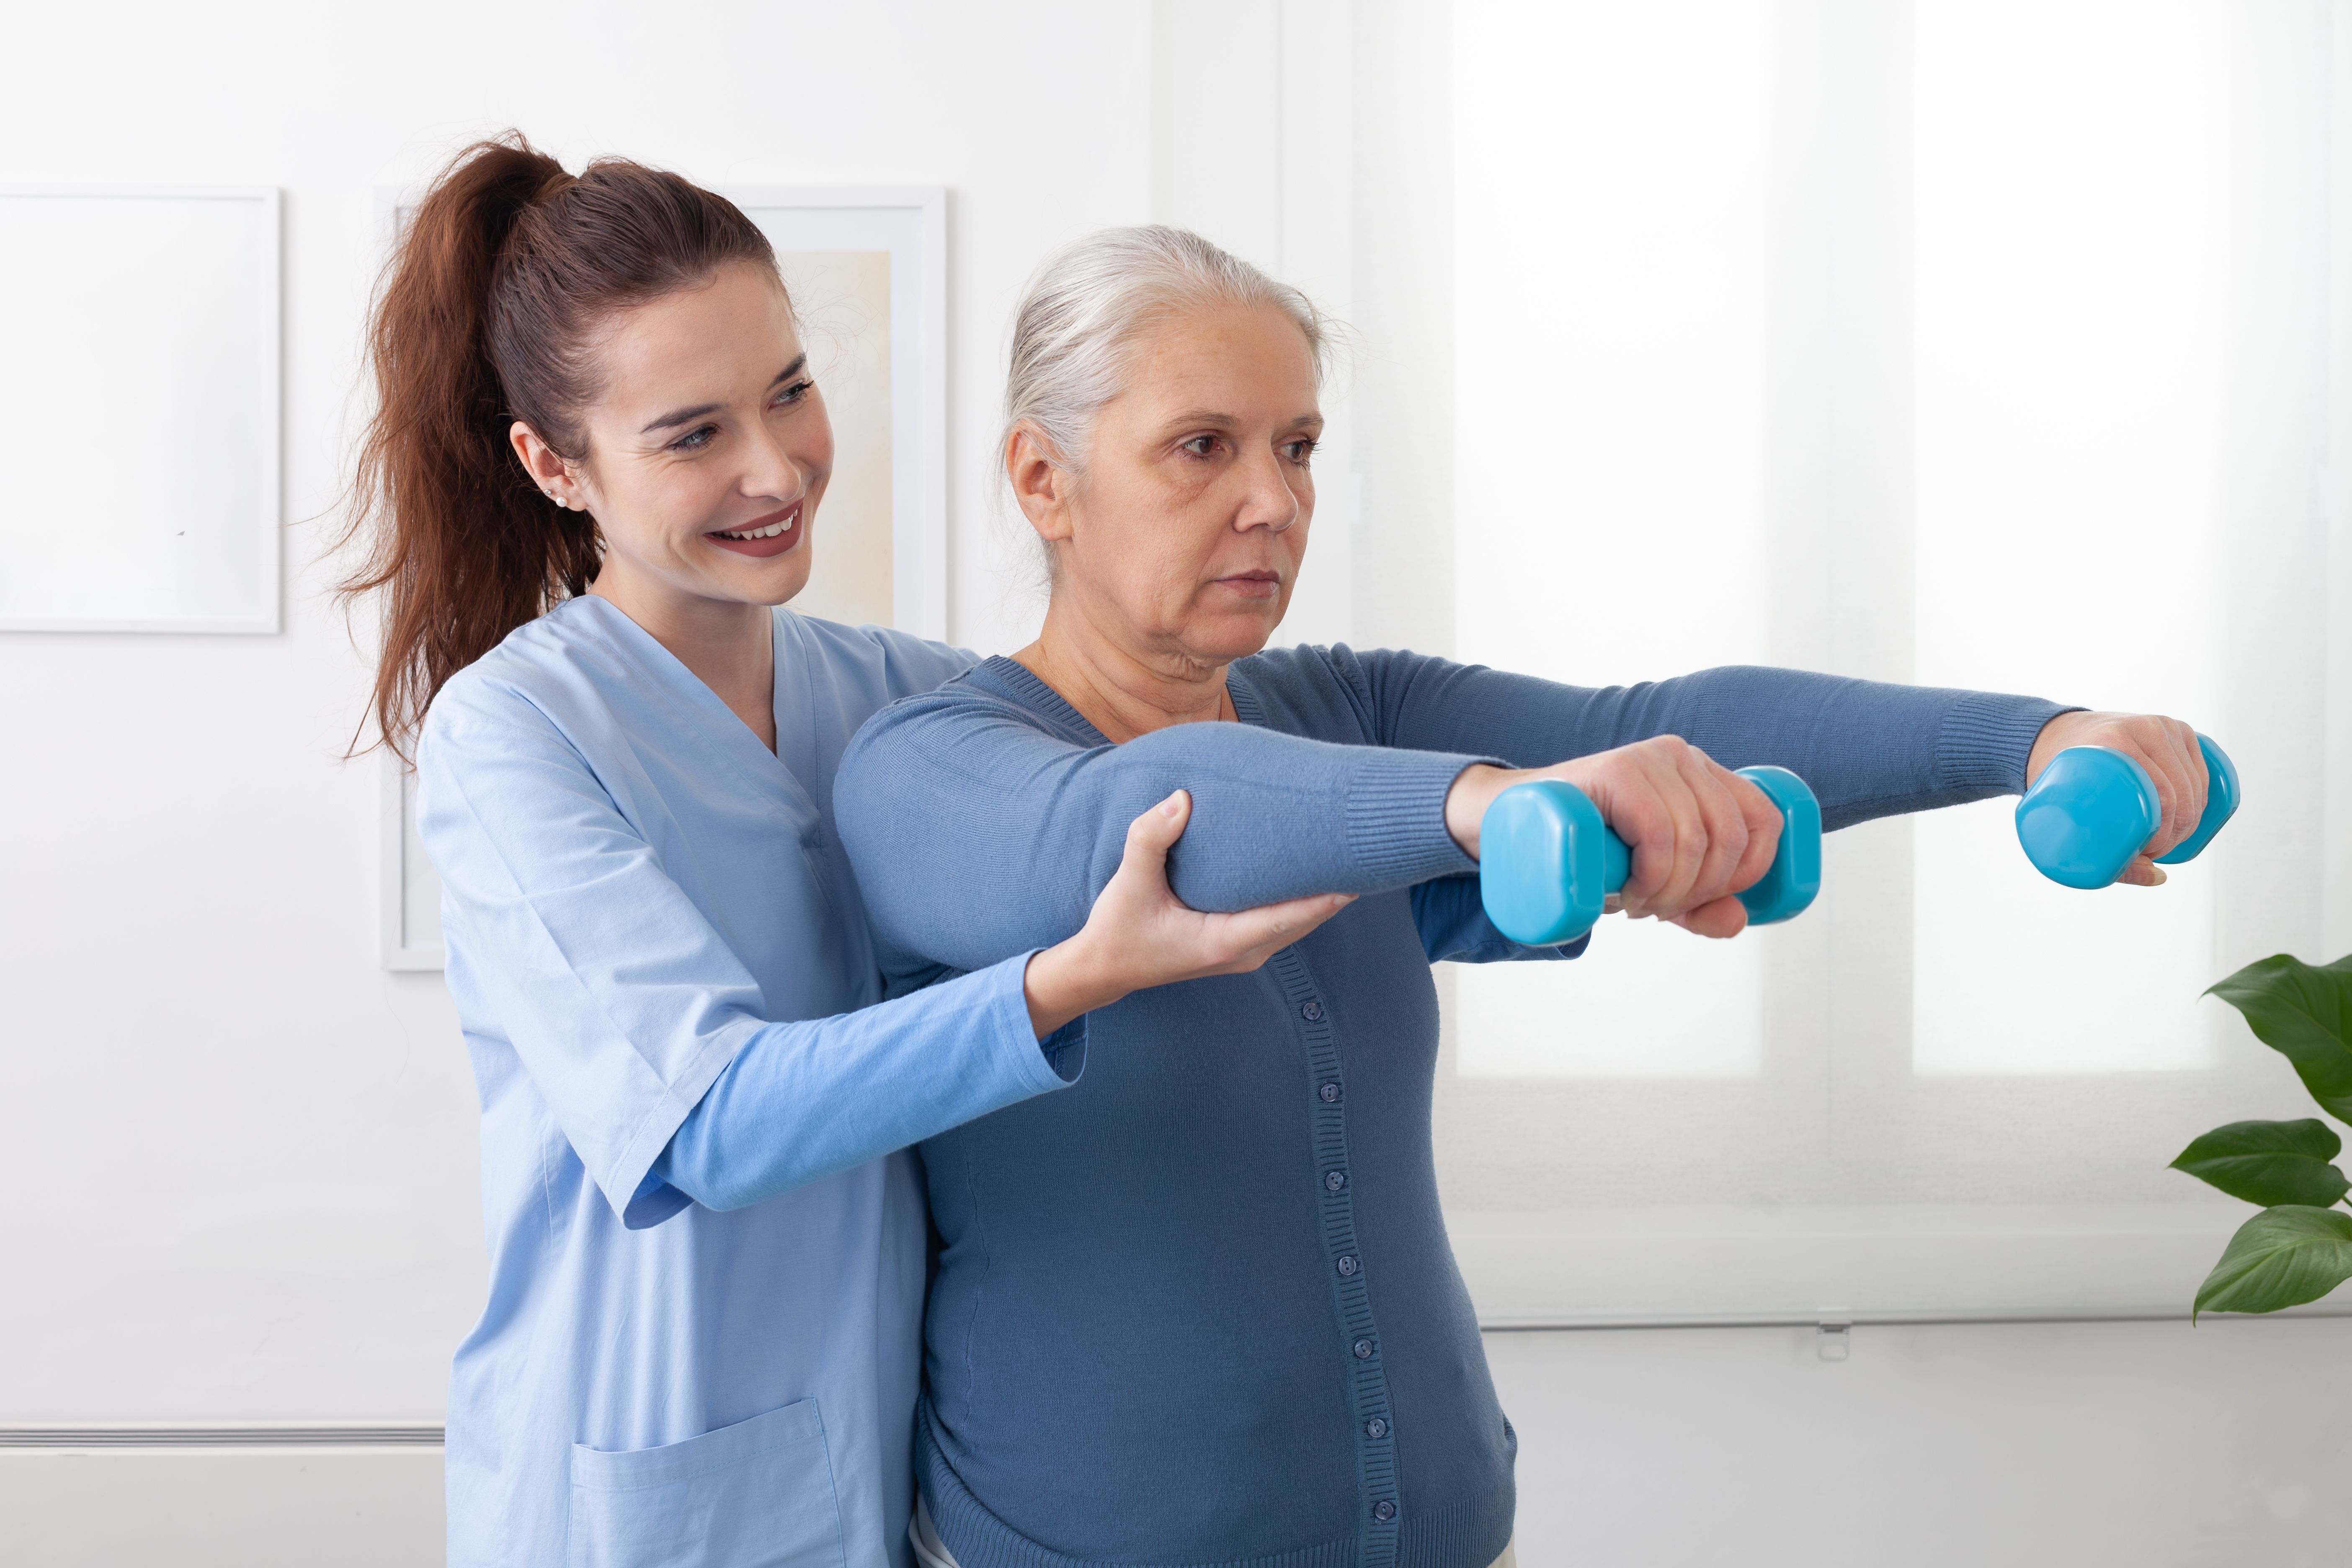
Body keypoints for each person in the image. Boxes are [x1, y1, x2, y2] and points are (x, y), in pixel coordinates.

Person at [831, 226, 2217, 1568]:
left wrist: (2035, 740)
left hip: (1453, 1529)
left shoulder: (1348, 708)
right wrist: (1481, 803)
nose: (1273, 500)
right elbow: (1154, 822)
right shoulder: (929, 770)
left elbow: (1659, 717)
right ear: (1043, 479)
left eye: (1297, 446)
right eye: (1203, 447)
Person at [340, 146, 1350, 1568]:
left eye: (790, 392)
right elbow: (708, 1124)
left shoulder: (894, 694)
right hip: (645, 1465)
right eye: (693, 435)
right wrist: (1063, 986)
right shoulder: (513, 733)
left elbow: (1131, 764)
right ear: (554, 465)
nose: (774, 469)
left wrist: (1515, 819)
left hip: (883, 1462)